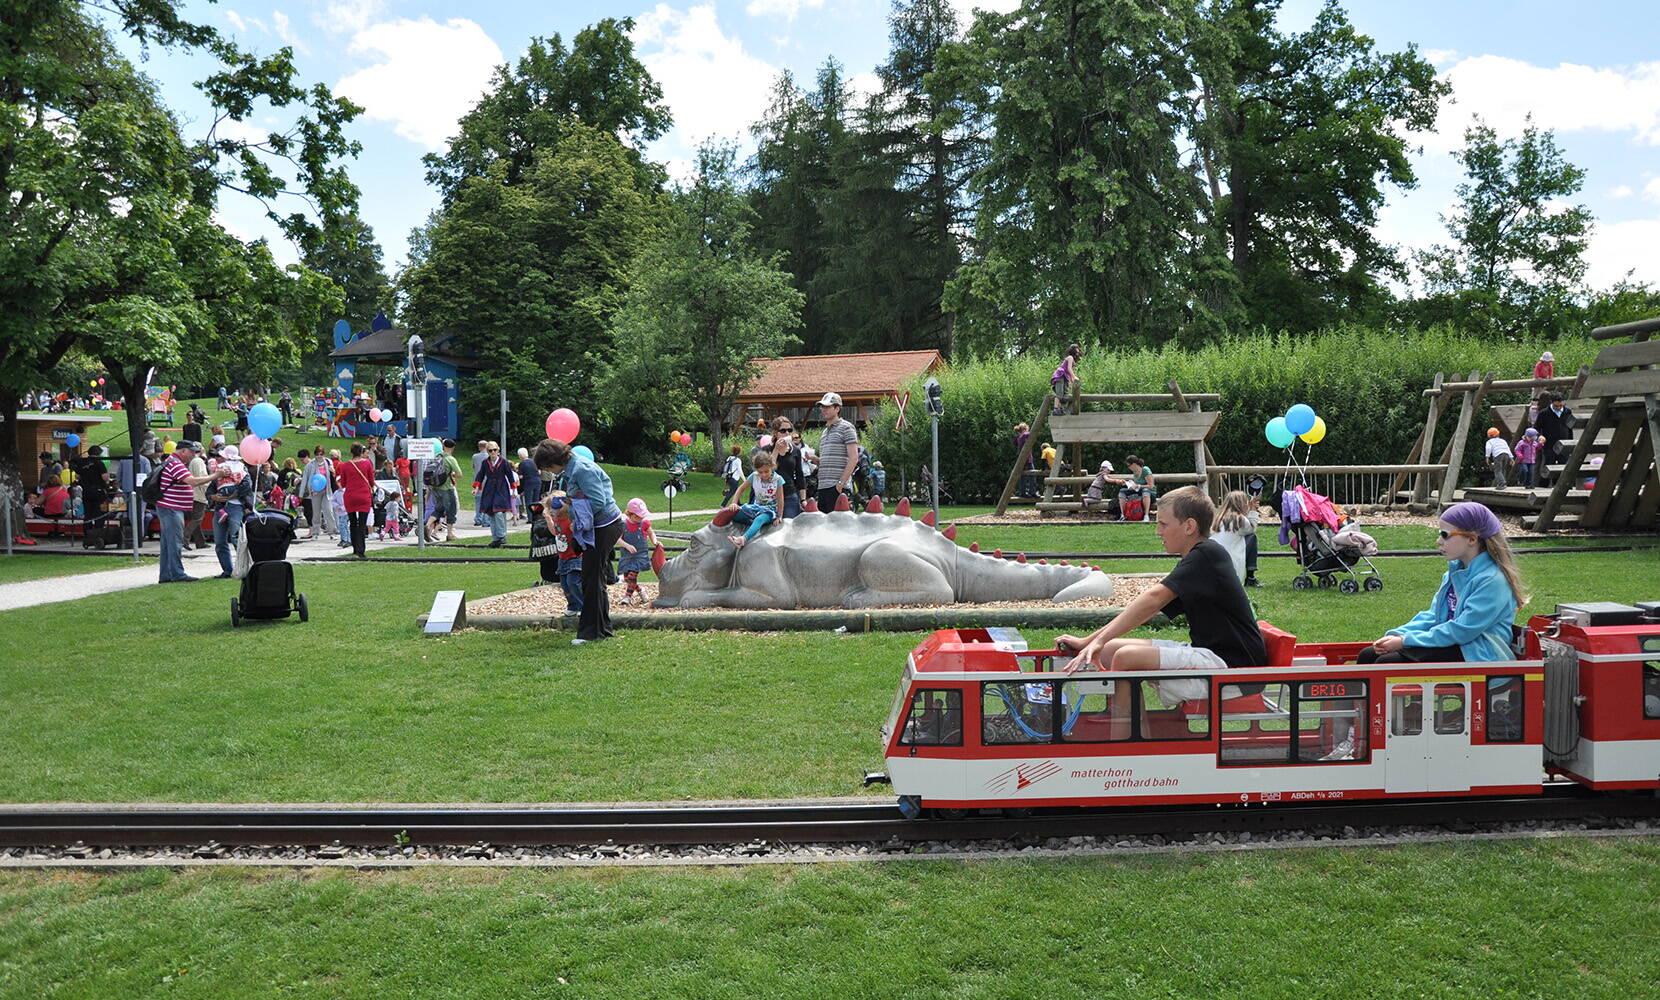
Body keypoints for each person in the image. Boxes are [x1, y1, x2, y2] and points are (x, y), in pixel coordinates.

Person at [1056, 487, 1267, 703]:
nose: (1158, 531)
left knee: (1126, 657)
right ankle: (1135, 729)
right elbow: (1147, 607)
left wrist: (1096, 641)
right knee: (1110, 649)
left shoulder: (1207, 555)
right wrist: (1090, 641)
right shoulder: (1200, 557)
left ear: (1189, 526)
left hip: (1235, 666)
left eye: (1163, 524)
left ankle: (1125, 734)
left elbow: (1153, 599)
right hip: (1212, 655)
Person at [1362, 502, 1525, 667]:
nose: (1438, 541)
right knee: (1367, 655)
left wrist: (1405, 641)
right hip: (1457, 644)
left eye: (1445, 534)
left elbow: (1463, 630)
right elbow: (1435, 616)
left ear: (1471, 539)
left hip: (1481, 655)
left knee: (1387, 663)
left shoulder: (1493, 581)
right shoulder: (1454, 573)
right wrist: (1400, 634)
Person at [536, 438, 622, 644]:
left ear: (554, 461)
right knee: (594, 579)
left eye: (548, 467)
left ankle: (591, 633)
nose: (550, 472)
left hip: (604, 526)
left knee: (590, 580)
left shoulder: (581, 469)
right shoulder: (574, 468)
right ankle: (602, 629)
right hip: (599, 526)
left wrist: (571, 513)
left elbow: (598, 501)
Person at [154, 440, 221, 583]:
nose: (193, 455)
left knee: (167, 543)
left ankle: (166, 575)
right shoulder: (176, 464)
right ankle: (177, 574)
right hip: (171, 508)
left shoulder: (171, 461)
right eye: (191, 452)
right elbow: (193, 481)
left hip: (168, 507)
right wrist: (216, 475)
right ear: (183, 451)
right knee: (174, 542)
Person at [531, 499, 584, 613]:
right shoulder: (557, 520)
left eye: (555, 509)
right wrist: (548, 519)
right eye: (550, 508)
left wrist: (575, 528)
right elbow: (555, 532)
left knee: (573, 582)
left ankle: (582, 606)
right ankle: (572, 606)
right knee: (565, 584)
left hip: (575, 557)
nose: (551, 511)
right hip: (563, 557)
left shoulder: (570, 520)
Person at [724, 450, 786, 549]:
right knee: (734, 513)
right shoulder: (754, 476)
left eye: (766, 471)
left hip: (770, 510)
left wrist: (779, 516)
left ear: (772, 467)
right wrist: (734, 503)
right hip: (756, 506)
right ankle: (724, 535)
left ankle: (743, 539)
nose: (764, 474)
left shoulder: (778, 480)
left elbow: (780, 499)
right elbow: (740, 488)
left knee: (760, 518)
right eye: (760, 472)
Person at [209, 444, 253, 578]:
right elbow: (210, 489)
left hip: (235, 507)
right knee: (221, 541)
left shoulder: (240, 469)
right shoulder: (221, 471)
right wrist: (213, 496)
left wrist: (233, 495)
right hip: (221, 507)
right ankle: (228, 570)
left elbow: (247, 486)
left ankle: (245, 568)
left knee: (236, 539)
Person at [813, 392, 860, 512]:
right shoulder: (824, 432)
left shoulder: (847, 427)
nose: (824, 409)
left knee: (839, 527)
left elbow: (854, 458)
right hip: (823, 486)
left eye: (828, 407)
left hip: (837, 487)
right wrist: (816, 460)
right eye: (822, 407)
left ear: (837, 408)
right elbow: (828, 460)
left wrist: (840, 484)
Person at [473, 441, 517, 547]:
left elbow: (510, 476)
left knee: (499, 512)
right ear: (487, 451)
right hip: (489, 489)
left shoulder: (504, 462)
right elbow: (480, 475)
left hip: (501, 489)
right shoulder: (485, 463)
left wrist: (514, 490)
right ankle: (495, 538)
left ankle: (502, 536)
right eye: (490, 450)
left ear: (498, 450)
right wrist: (476, 488)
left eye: (495, 450)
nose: (493, 452)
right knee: (491, 513)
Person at [1211, 490, 1260, 587]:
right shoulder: (1240, 519)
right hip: (1232, 560)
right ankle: (1250, 575)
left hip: (1214, 557)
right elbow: (1252, 528)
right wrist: (1253, 510)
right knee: (1252, 537)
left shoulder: (1218, 518)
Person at [617, 498, 658, 604]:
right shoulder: (623, 525)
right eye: (638, 516)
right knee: (627, 578)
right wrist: (626, 545)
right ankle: (640, 590)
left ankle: (627, 597)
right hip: (627, 555)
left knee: (632, 575)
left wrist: (655, 541)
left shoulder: (644, 523)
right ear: (630, 514)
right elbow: (617, 539)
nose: (641, 518)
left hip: (640, 555)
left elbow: (651, 533)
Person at [339, 442, 376, 558]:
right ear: (361, 452)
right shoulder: (367, 464)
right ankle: (361, 550)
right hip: (364, 496)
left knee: (353, 523)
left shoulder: (344, 465)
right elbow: (371, 480)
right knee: (362, 523)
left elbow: (343, 483)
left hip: (350, 496)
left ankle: (355, 548)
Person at [424, 439, 463, 543]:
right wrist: (452, 474)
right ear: (453, 448)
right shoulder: (450, 459)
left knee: (439, 509)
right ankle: (450, 534)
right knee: (451, 510)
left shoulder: (437, 457)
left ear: (443, 445)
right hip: (446, 488)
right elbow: (459, 475)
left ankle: (427, 526)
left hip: (435, 488)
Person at [769, 416, 808, 518]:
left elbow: (800, 475)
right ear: (775, 433)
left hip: (789, 494)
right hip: (770, 496)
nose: (787, 433)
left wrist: (803, 499)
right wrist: (776, 450)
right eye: (783, 431)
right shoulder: (767, 449)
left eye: (789, 430)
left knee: (789, 525)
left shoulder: (795, 451)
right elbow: (768, 470)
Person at [1532, 393, 1574, 485]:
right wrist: (1540, 436)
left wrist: (1571, 442)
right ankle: (1543, 486)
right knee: (1548, 464)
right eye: (1556, 406)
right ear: (1551, 403)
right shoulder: (1544, 413)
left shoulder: (1567, 412)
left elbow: (1570, 428)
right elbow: (1536, 428)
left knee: (1563, 465)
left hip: (1564, 444)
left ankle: (1560, 485)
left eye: (1560, 405)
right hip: (1549, 444)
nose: (1558, 408)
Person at [1123, 455, 1156, 520]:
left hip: (1150, 493)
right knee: (1122, 491)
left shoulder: (1145, 469)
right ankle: (1123, 514)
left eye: (1129, 465)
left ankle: (1146, 516)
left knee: (1145, 491)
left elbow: (1151, 486)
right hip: (1139, 492)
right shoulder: (1134, 472)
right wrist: (1130, 484)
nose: (1128, 467)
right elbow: (1136, 485)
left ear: (1134, 464)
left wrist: (1138, 486)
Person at [1051, 343, 1082, 413]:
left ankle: (1061, 408)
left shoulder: (1073, 360)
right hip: (1060, 375)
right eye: (1077, 349)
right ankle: (1055, 409)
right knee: (1059, 394)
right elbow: (1069, 369)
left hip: (1065, 377)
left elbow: (1069, 373)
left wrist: (1073, 381)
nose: (1078, 350)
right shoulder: (1070, 357)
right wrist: (1074, 377)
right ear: (1073, 350)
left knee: (1065, 394)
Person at [470, 440, 490, 526]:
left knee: (478, 501)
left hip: (478, 482)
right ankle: (486, 520)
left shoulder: (475, 456)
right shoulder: (489, 456)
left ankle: (478, 519)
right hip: (487, 481)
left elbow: (473, 467)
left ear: (480, 447)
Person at [517, 446, 542, 515]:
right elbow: (539, 472)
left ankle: (530, 518)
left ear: (520, 456)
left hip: (529, 483)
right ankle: (536, 516)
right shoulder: (534, 461)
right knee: (536, 500)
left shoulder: (522, 463)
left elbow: (520, 476)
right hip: (538, 482)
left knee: (529, 501)